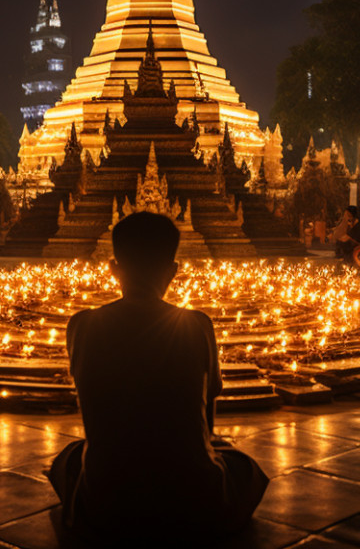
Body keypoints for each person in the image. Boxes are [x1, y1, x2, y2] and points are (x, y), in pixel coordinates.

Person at [48, 212, 268, 541]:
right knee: (243, 467)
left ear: (113, 268)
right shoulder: (196, 325)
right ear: (173, 271)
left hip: (107, 503)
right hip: (195, 502)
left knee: (68, 459)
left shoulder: (82, 325)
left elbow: (95, 412)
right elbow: (208, 411)